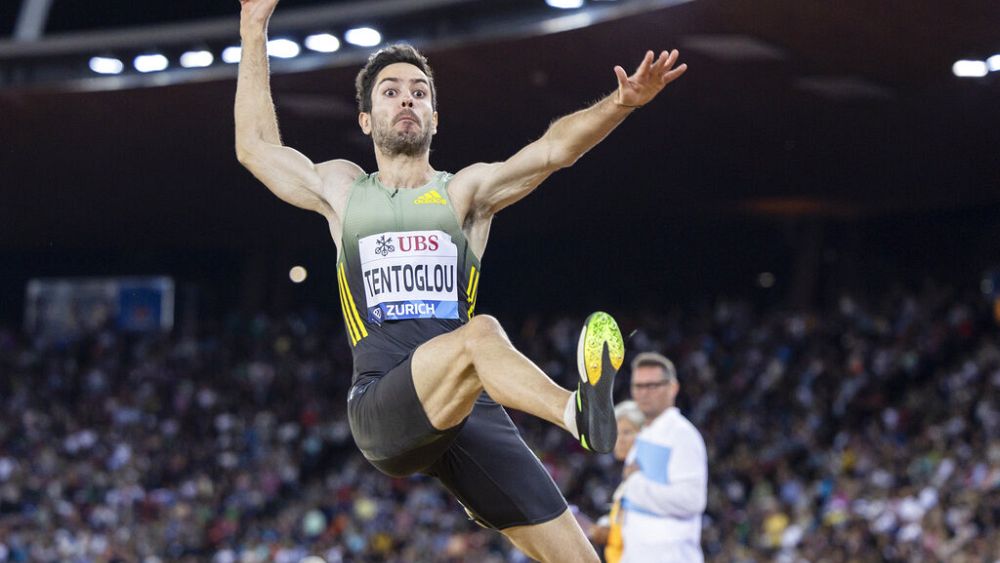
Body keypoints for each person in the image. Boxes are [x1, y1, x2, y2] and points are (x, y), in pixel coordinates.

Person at [234, 0, 686, 559]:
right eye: (391, 91)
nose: (407, 99)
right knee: (480, 334)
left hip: (464, 407)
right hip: (381, 404)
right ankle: (577, 414)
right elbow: (255, 148)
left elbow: (552, 151)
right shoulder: (344, 191)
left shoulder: (463, 194)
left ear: (435, 118)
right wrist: (253, 29)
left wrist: (620, 104)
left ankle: (579, 416)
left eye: (419, 92)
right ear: (366, 119)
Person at [620, 352, 708, 562]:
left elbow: (691, 500)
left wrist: (636, 482)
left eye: (652, 386)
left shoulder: (683, 435)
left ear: (673, 388)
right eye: (638, 386)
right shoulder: (645, 434)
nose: (643, 393)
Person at [589, 400, 646, 563]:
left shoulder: (646, 475)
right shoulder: (628, 477)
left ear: (645, 434)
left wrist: (610, 532)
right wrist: (607, 524)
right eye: (616, 432)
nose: (619, 439)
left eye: (627, 432)